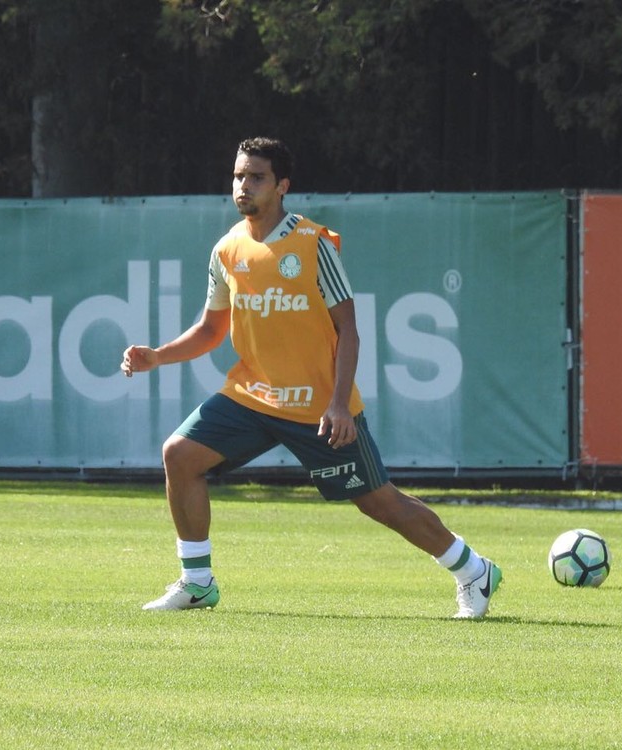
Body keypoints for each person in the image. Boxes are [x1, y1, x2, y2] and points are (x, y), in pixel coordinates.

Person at [121, 137, 501, 619]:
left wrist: (339, 404)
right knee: (179, 455)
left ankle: (473, 570)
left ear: (282, 185)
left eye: (256, 177)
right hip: (253, 396)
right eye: (238, 176)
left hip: (318, 407)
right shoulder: (226, 249)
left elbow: (349, 330)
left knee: (378, 502)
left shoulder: (313, 243)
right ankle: (197, 582)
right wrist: (158, 356)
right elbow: (211, 330)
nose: (243, 186)